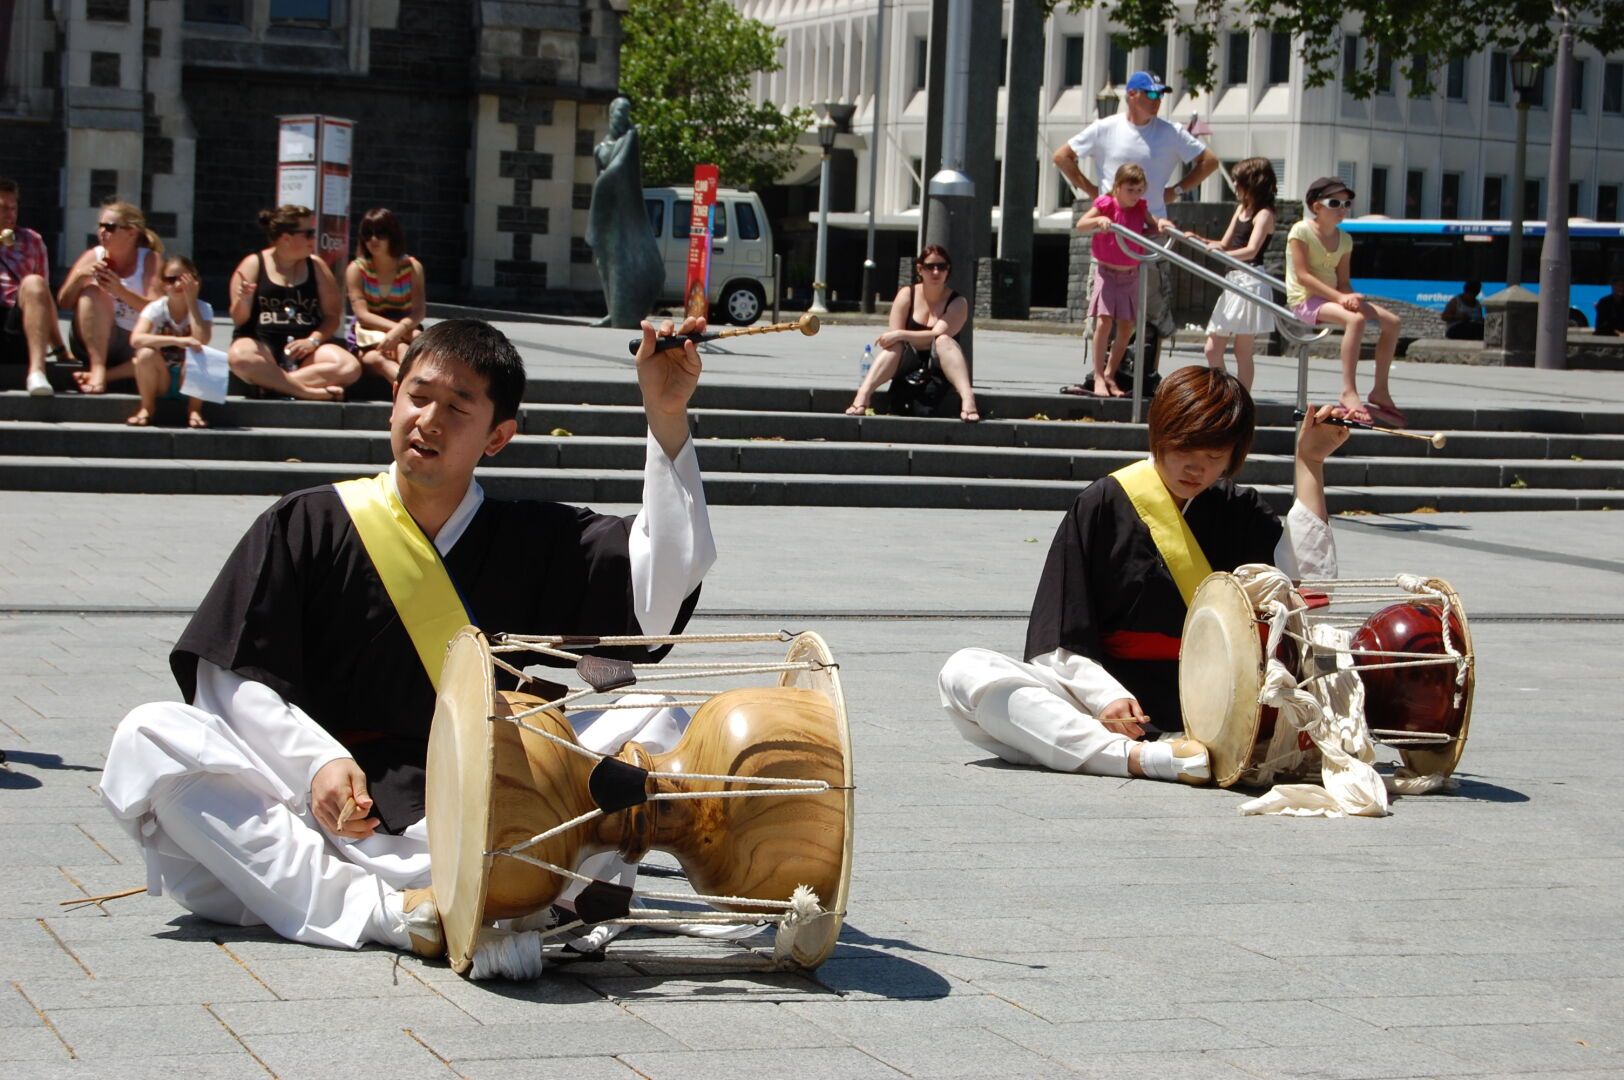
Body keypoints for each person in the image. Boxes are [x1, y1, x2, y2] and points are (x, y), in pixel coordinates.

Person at [100, 316, 713, 970]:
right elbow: (232, 678)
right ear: (393, 400)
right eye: (417, 396)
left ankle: (432, 899)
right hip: (327, 821)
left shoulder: (533, 539)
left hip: (488, 812)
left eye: (457, 407)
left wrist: (666, 417)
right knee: (151, 734)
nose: (429, 419)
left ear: (498, 436)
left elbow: (660, 586)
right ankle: (392, 914)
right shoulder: (307, 522)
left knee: (650, 716)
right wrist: (315, 764)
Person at [938, 366, 1349, 784]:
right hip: (1113, 706)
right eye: (1184, 451)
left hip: (1223, 706)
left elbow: (1307, 597)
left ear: (1232, 456)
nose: (1196, 469)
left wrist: (1310, 462)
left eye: (1213, 457)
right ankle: (1139, 758)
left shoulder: (1239, 510)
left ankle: (1119, 755)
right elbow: (1058, 638)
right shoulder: (1103, 503)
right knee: (964, 671)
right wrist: (1107, 697)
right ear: (1160, 435)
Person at [1054, 70, 1219, 385]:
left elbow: (1209, 161)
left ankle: (1145, 371)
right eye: (1151, 94)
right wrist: (1093, 192)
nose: (1157, 101)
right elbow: (1063, 157)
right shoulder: (1106, 128)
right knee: (1104, 312)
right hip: (1112, 234)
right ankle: (1101, 374)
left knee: (1150, 308)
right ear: (1132, 94)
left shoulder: (1170, 132)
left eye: (1160, 95)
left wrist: (1177, 190)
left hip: (1149, 231)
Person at [1285, 177, 1406, 427]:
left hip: (1332, 297)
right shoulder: (1301, 231)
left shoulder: (1345, 239)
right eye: (1335, 202)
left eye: (1346, 203)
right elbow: (1303, 276)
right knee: (1356, 319)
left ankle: (1380, 390)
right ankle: (1348, 391)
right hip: (1305, 300)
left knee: (1393, 322)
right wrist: (1342, 299)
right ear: (1316, 206)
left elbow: (1343, 281)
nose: (1342, 208)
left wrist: (1348, 296)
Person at [228, 205, 360, 401]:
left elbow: (333, 315)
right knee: (239, 357)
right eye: (308, 233)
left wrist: (313, 340)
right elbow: (239, 320)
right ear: (285, 238)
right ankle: (307, 392)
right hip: (262, 346)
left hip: (306, 349)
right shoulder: (253, 263)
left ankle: (272, 385)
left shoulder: (316, 266)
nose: (313, 239)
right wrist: (243, 299)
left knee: (350, 366)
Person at [1066, 164, 1171, 398]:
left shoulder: (1140, 207)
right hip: (1107, 273)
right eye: (1130, 190)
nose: (1135, 196)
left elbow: (1153, 223)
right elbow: (1082, 224)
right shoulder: (1106, 204)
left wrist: (1162, 224)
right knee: (1104, 323)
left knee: (1126, 327)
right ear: (1118, 187)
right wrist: (1100, 220)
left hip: (1129, 275)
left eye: (1139, 190)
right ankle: (1099, 377)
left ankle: (1111, 373)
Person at [843, 244, 980, 422]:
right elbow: (892, 340)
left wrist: (901, 334)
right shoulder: (907, 294)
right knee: (895, 346)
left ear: (948, 270)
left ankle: (968, 399)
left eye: (942, 266)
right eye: (930, 266)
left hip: (940, 363)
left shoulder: (958, 302)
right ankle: (862, 396)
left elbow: (935, 335)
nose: (936, 272)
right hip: (908, 361)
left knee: (944, 341)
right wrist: (899, 336)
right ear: (920, 269)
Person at [56, 200, 163, 394]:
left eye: (110, 227)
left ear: (131, 232)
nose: (102, 231)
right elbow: (63, 302)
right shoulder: (93, 255)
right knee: (92, 292)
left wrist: (119, 290)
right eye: (100, 226)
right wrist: (80, 277)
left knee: (156, 353)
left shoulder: (149, 259)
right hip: (92, 340)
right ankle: (97, 368)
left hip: (134, 341)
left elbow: (157, 309)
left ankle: (105, 376)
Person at [1201, 158, 1279, 389]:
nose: (1234, 185)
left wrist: (1219, 255)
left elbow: (1251, 250)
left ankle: (1240, 398)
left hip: (1251, 280)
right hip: (1233, 281)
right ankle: (1229, 393)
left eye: (1238, 181)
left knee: (1242, 350)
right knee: (1212, 348)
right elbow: (1224, 243)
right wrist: (1198, 240)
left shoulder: (1264, 214)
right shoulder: (1241, 209)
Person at [0, 177, 70, 396]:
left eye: (14, 208)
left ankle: (37, 372)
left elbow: (43, 297)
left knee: (34, 282)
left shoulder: (32, 241)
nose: (10, 214)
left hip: (17, 322)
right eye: (3, 209)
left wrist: (59, 348)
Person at [127, 256, 214, 428]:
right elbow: (136, 339)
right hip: (161, 377)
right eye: (170, 279)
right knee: (144, 354)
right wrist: (176, 340)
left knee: (201, 353)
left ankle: (194, 409)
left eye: (183, 279)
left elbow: (202, 339)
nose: (177, 285)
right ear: (163, 284)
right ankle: (147, 407)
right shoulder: (156, 308)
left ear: (195, 281)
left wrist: (191, 302)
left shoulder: (203, 308)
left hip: (187, 377)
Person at [346, 208, 426, 384]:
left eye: (380, 233)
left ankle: (414, 388)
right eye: (368, 234)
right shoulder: (357, 269)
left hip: (405, 330)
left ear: (392, 235)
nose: (373, 239)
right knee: (377, 359)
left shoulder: (412, 267)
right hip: (368, 333)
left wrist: (399, 331)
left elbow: (419, 310)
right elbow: (362, 315)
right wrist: (393, 332)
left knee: (405, 349)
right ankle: (410, 389)